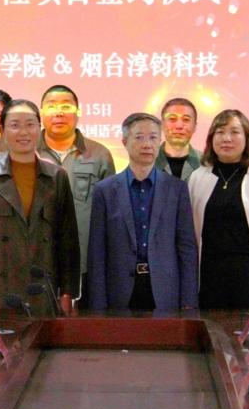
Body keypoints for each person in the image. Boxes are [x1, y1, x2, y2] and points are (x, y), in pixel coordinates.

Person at [0, 99, 80, 325]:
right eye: (15, 125)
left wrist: (68, 293)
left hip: (43, 290)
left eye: (30, 124)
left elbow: (68, 241)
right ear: (2, 130)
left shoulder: (57, 176)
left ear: (39, 128)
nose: (23, 132)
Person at [86, 113, 198, 311]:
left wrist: (189, 301)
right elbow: (97, 252)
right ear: (124, 142)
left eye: (153, 137)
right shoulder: (105, 190)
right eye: (139, 137)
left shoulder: (176, 189)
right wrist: (98, 304)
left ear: (160, 141)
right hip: (119, 291)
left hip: (165, 290)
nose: (147, 144)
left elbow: (186, 248)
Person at [188, 109, 249, 310]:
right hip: (210, 280)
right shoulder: (198, 178)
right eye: (220, 132)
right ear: (211, 138)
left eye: (234, 132)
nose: (227, 138)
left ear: (247, 139)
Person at [36, 85, 116, 291]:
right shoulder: (26, 153)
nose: (59, 112)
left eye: (66, 106)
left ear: (78, 112)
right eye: (51, 106)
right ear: (41, 113)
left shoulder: (100, 155)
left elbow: (111, 214)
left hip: (86, 263)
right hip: (35, 261)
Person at [154, 97, 201, 180]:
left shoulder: (207, 165)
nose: (179, 126)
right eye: (172, 119)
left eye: (186, 119)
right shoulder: (144, 162)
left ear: (195, 126)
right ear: (162, 125)